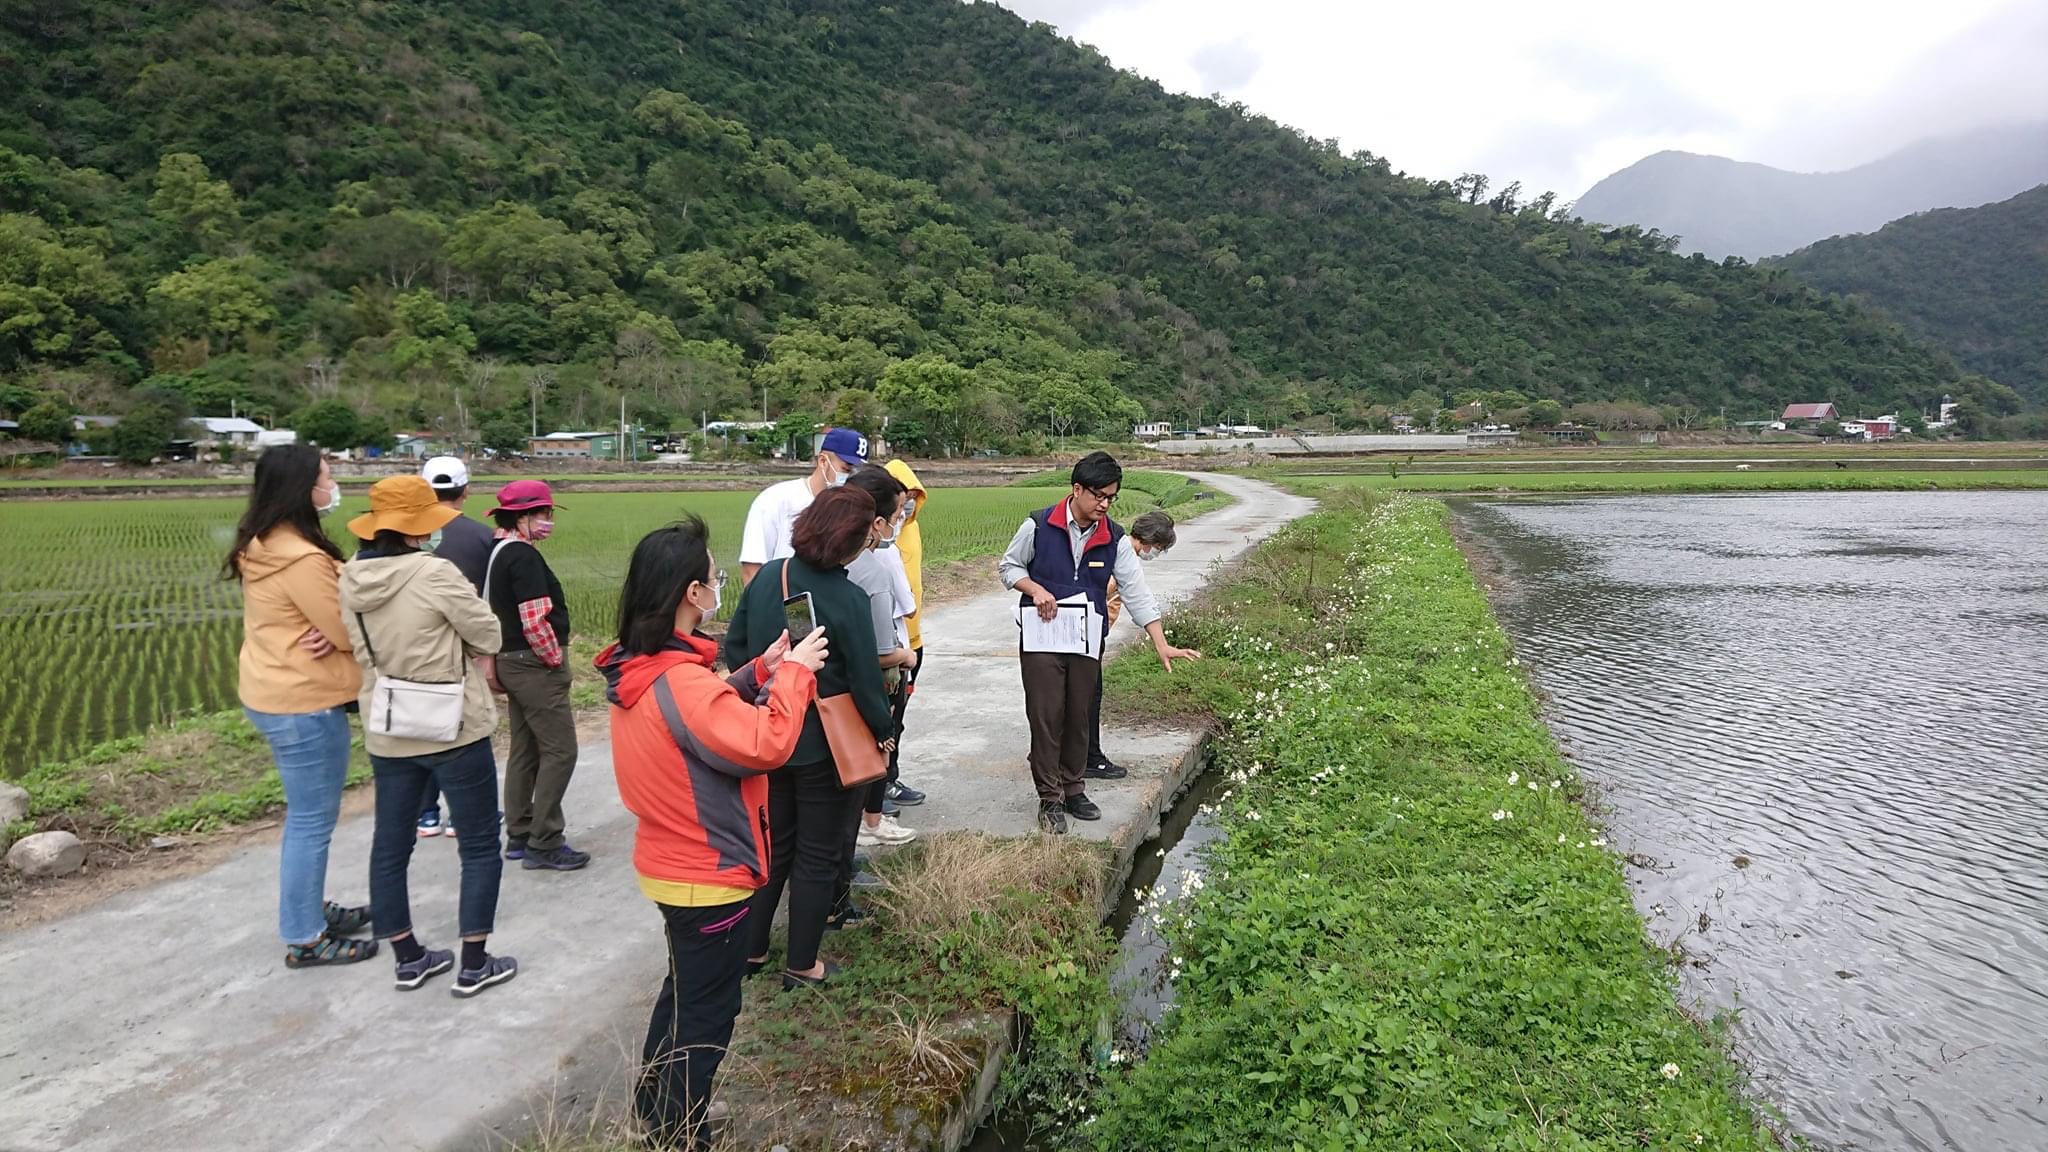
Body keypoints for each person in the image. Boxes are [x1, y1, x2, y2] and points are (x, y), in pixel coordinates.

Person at [596, 517, 827, 1150]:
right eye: (714, 576)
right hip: (708, 873)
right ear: (693, 593)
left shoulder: (641, 666)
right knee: (707, 1013)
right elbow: (766, 743)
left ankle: (657, 1105)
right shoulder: (680, 680)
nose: (720, 583)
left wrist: (760, 671)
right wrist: (797, 673)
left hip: (670, 863)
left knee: (682, 993)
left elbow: (696, 716)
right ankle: (677, 1133)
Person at [340, 476, 518, 997]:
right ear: (419, 528)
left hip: (389, 726)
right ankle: (474, 963)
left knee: (389, 849)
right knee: (481, 844)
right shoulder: (434, 573)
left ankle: (408, 957)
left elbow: (358, 647)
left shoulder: (350, 577)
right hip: (452, 726)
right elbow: (489, 634)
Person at [724, 487, 895, 989]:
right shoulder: (848, 598)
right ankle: (803, 963)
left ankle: (751, 952)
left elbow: (735, 647)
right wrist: (884, 730)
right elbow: (866, 682)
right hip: (821, 746)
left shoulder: (767, 579)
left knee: (773, 848)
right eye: (865, 537)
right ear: (847, 541)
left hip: (765, 738)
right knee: (818, 854)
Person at [224, 444, 376, 967]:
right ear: (302, 489)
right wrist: (334, 628)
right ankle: (306, 935)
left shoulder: (261, 543)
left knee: (306, 818)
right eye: (326, 477)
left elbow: (326, 622)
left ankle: (307, 907)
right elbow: (344, 628)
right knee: (312, 821)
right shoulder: (303, 557)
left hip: (271, 688)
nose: (332, 486)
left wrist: (326, 627)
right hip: (303, 699)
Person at [999, 453, 1200, 835]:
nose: (1105, 504)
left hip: (1085, 638)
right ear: (1077, 490)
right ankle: (1050, 797)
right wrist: (1035, 589)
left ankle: (1074, 788)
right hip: (1042, 637)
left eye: (1112, 497)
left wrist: (1161, 643)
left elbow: (1137, 592)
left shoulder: (1116, 538)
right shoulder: (1039, 525)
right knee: (1046, 717)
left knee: (1079, 716)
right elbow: (1009, 567)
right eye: (1099, 495)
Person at [483, 480, 588, 871]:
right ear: (523, 517)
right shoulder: (523, 557)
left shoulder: (497, 551)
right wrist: (553, 661)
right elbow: (535, 619)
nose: (547, 521)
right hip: (532, 662)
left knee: (525, 748)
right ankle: (546, 840)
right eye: (542, 514)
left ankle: (520, 833)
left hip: (509, 659)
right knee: (561, 750)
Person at [415, 454, 498, 838]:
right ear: (465, 491)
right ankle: (464, 815)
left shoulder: (405, 536)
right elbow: (493, 597)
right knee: (464, 730)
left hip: (415, 646)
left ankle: (426, 813)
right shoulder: (483, 537)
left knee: (421, 728)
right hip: (468, 647)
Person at [842, 466, 918, 854]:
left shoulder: (810, 560)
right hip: (871, 681)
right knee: (876, 746)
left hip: (833, 682)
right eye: (897, 513)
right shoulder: (871, 567)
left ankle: (866, 821)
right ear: (875, 521)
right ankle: (866, 824)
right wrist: (906, 656)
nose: (899, 521)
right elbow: (882, 649)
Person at [1087, 510, 1178, 780]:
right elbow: (1132, 594)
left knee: (1081, 696)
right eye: (1159, 549)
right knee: (1089, 696)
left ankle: (1063, 752)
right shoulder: (1120, 552)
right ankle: (1088, 758)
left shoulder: (1117, 547)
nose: (1156, 554)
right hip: (1085, 633)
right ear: (1150, 542)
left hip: (1091, 633)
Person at [737, 427, 869, 587]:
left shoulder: (850, 512)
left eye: (855, 472)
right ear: (823, 461)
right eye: (846, 469)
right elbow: (752, 569)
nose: (849, 477)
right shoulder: (775, 500)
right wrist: (769, 609)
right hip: (780, 603)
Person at [880, 458, 928, 810]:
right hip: (886, 646)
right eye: (901, 497)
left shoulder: (910, 528)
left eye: (912, 495)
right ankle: (874, 791)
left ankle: (889, 780)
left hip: (913, 642)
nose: (908, 503)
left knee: (898, 717)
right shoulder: (879, 539)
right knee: (881, 722)